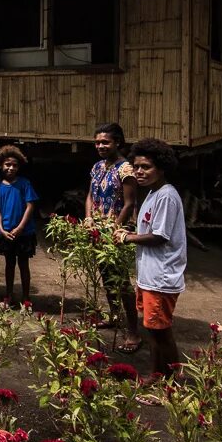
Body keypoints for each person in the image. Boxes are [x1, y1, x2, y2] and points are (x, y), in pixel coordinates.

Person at [114, 138, 186, 378]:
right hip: (149, 276)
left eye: (146, 167)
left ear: (162, 167)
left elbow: (159, 236)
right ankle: (157, 377)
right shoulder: (153, 194)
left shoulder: (166, 195)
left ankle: (171, 382)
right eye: (136, 167)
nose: (140, 172)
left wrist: (128, 237)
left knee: (161, 333)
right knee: (154, 332)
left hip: (161, 276)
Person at [85, 122, 142, 354]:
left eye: (105, 142)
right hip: (98, 229)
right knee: (107, 277)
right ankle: (114, 316)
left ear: (118, 142)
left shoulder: (126, 169)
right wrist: (88, 218)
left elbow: (129, 203)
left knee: (121, 281)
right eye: (97, 142)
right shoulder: (98, 166)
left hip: (117, 232)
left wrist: (112, 229)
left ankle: (133, 331)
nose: (100, 146)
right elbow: (90, 195)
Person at [0, 145, 38, 304]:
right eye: (7, 164)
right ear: (1, 165)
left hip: (24, 233)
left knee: (23, 264)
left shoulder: (25, 183)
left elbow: (30, 206)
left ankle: (26, 298)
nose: (11, 168)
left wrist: (20, 228)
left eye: (14, 165)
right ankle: (9, 296)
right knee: (9, 264)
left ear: (19, 166)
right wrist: (0, 229)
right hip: (5, 232)